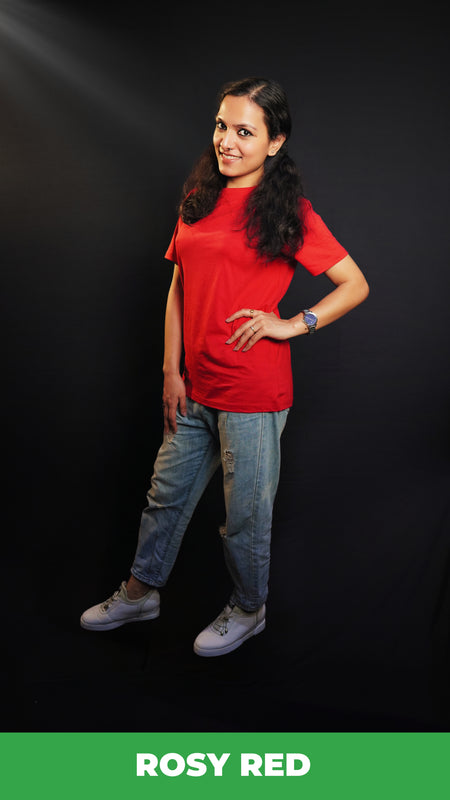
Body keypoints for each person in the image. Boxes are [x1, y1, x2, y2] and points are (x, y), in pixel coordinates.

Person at [80, 76, 369, 656]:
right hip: (195, 386)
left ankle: (249, 607)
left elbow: (353, 284)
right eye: (221, 125)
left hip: (254, 389)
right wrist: (171, 370)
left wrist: (293, 322)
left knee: (245, 518)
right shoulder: (198, 202)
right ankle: (141, 592)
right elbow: (179, 286)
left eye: (244, 131)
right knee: (164, 496)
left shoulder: (289, 212)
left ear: (274, 141)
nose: (227, 141)